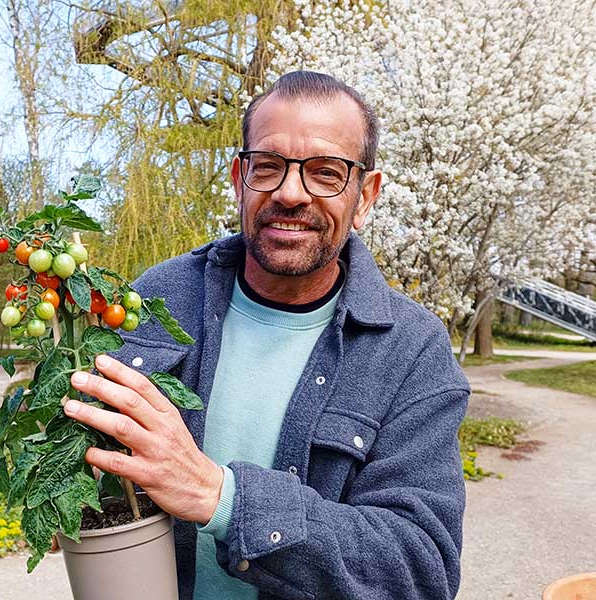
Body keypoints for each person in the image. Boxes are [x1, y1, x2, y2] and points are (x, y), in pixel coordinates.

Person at [63, 71, 470, 600]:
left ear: (365, 194)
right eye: (269, 167)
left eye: (326, 173)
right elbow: (87, 430)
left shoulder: (411, 350)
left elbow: (421, 568)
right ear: (239, 178)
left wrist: (224, 499)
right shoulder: (159, 297)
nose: (290, 193)